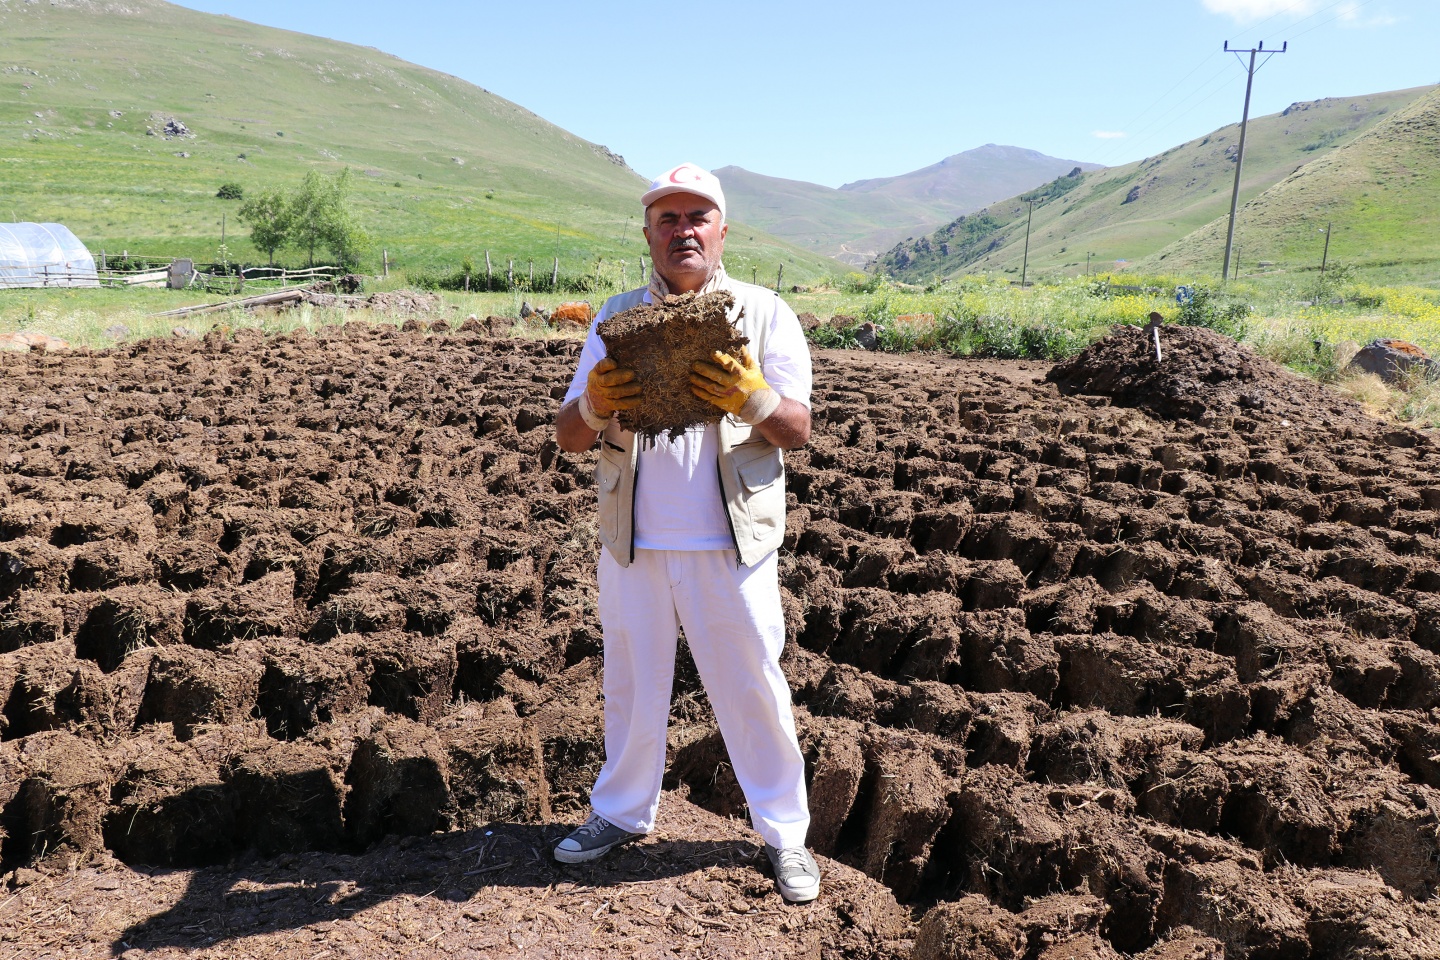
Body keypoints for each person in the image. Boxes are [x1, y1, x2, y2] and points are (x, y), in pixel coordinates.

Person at [551, 162, 819, 904]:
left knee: (753, 689)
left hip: (730, 544)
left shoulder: (765, 313)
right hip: (633, 541)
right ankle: (619, 813)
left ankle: (785, 837)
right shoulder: (614, 319)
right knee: (630, 686)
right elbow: (570, 434)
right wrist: (599, 401)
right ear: (648, 233)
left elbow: (796, 428)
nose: (683, 231)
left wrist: (753, 396)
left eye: (697, 217)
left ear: (722, 229)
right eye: (667, 219)